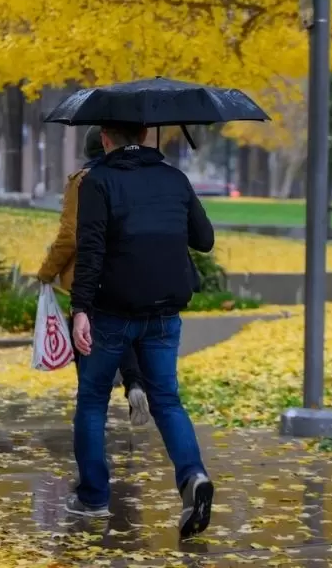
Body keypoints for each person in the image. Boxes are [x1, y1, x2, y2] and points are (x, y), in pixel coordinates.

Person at [67, 122, 216, 538]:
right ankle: (193, 476)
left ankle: (94, 497)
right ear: (147, 134)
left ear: (106, 139)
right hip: (165, 312)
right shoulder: (175, 178)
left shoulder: (98, 181)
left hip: (112, 311)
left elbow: (91, 248)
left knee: (93, 400)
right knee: (167, 399)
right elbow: (204, 240)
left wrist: (80, 309)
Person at [38, 127, 150, 427]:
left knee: (86, 347)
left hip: (88, 276)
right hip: (131, 272)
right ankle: (135, 385)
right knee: (124, 331)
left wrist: (47, 271)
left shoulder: (84, 181)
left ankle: (91, 426)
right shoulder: (137, 177)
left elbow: (70, 236)